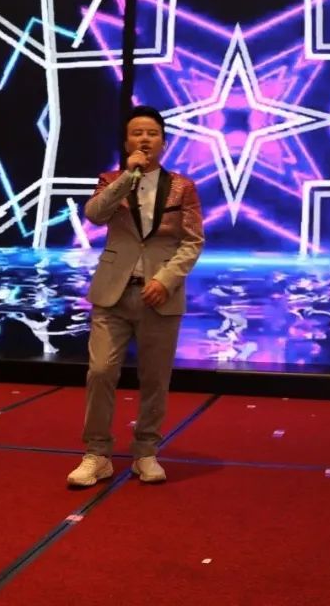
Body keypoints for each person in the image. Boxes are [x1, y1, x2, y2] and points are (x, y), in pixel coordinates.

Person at [67, 105, 205, 486]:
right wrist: (128, 176)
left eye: (152, 133)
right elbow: (95, 214)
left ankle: (146, 451)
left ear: (164, 141)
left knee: (155, 378)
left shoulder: (183, 186)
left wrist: (166, 280)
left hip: (159, 295)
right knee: (100, 371)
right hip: (112, 292)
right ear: (127, 141)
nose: (145, 139)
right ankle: (97, 453)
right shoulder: (111, 179)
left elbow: (192, 241)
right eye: (137, 133)